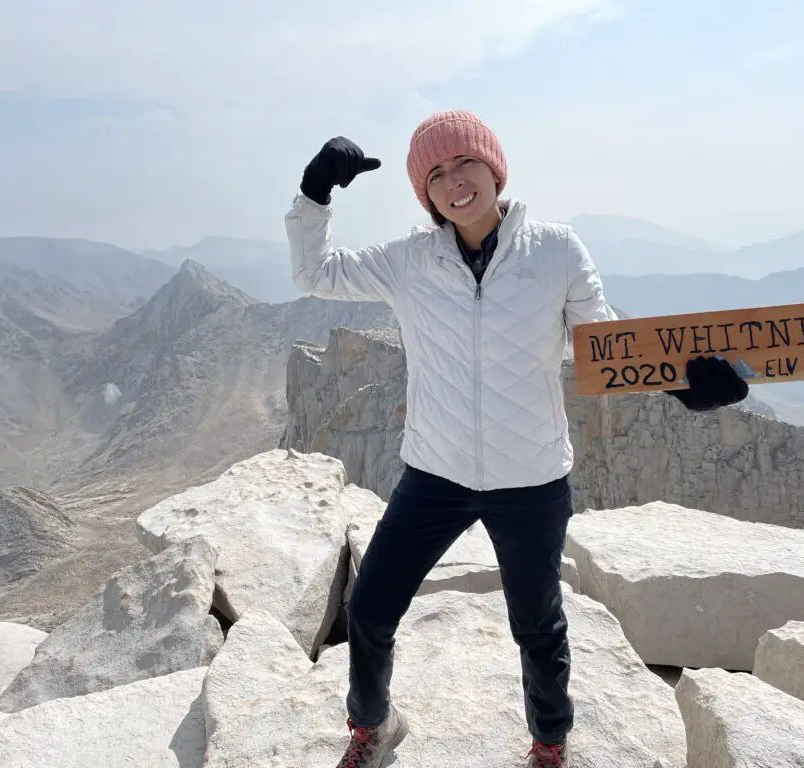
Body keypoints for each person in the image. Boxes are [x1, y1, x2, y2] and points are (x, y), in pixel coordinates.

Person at [285, 110, 748, 768]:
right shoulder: (408, 263)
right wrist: (314, 192)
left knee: (537, 625)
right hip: (435, 475)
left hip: (530, 479)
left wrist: (683, 384)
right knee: (370, 605)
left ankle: (550, 742)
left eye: (465, 163)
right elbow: (315, 274)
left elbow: (603, 347)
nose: (454, 182)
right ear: (425, 193)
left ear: (494, 168)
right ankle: (372, 725)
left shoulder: (556, 252)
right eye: (436, 174)